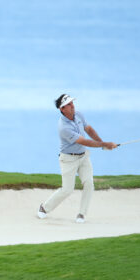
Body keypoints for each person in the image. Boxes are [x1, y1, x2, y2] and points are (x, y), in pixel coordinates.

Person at [37, 93, 117, 223]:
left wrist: (102, 144)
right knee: (67, 190)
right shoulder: (64, 127)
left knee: (89, 184)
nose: (72, 105)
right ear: (62, 109)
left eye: (72, 102)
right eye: (68, 104)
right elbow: (84, 141)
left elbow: (89, 129)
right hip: (68, 159)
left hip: (83, 157)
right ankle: (44, 207)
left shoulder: (78, 114)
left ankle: (81, 214)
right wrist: (105, 144)